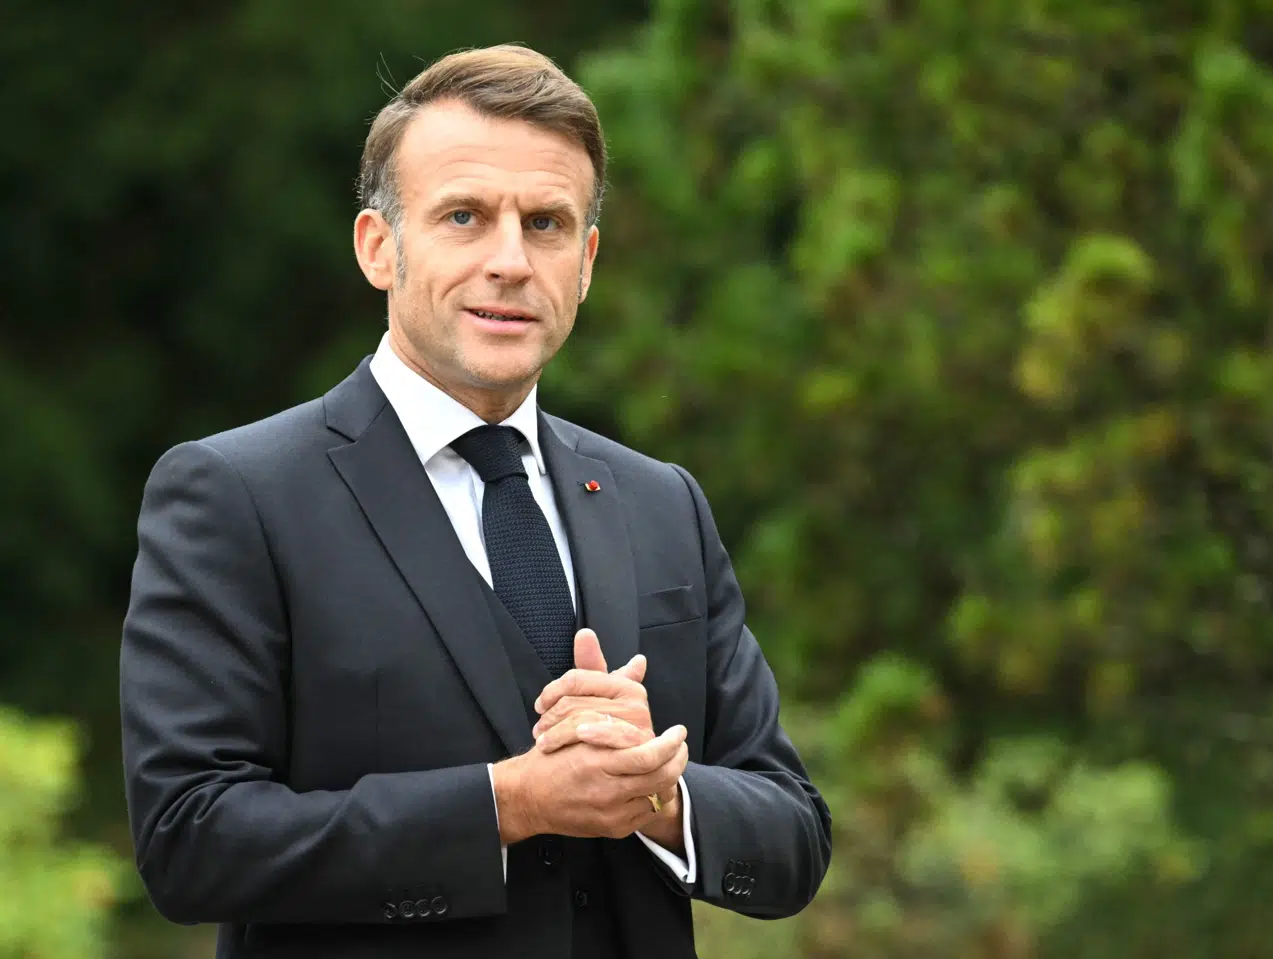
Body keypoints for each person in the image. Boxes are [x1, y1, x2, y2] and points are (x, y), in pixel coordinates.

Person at [118, 44, 831, 959]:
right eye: (464, 216)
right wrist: (508, 803)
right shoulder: (234, 495)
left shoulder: (662, 503)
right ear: (380, 247)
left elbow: (796, 834)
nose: (510, 260)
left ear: (587, 260)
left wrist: (661, 796)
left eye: (546, 223)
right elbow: (189, 838)